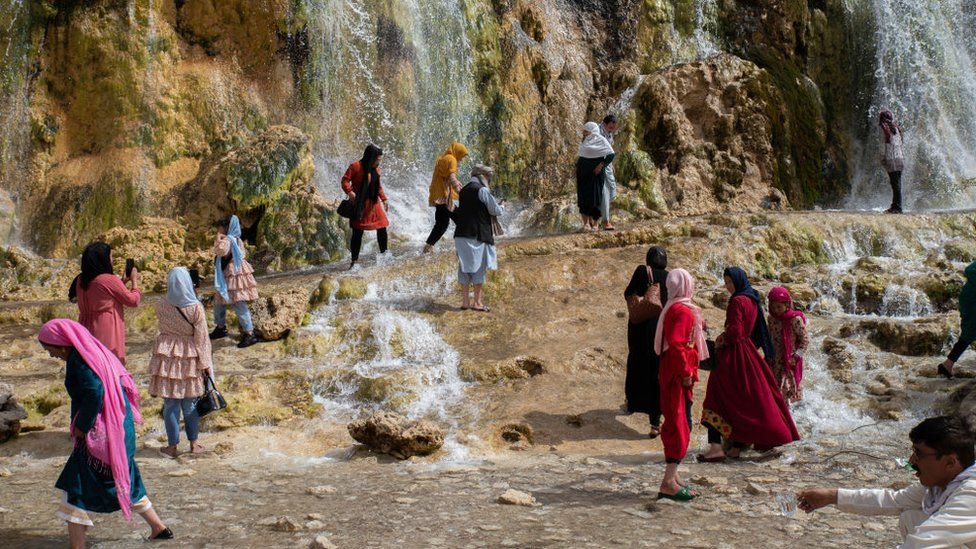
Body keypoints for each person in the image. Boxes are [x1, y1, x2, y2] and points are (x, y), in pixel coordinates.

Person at [38, 319, 172, 546]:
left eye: (48, 349)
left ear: (61, 344)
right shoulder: (95, 351)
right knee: (125, 478)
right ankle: (159, 528)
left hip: (103, 436)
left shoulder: (79, 361)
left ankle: (77, 546)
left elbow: (94, 392)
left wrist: (82, 427)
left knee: (76, 488)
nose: (50, 355)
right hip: (120, 428)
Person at [798, 416, 976, 548]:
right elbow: (894, 501)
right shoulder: (945, 482)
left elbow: (924, 541)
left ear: (950, 462)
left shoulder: (971, 493)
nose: (911, 461)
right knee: (911, 517)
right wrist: (832, 496)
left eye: (919, 454)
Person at [699, 267, 800, 461]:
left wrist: (721, 338)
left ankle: (716, 449)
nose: (727, 286)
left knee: (715, 398)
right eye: (726, 282)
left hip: (732, 356)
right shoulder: (752, 298)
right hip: (748, 353)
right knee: (744, 400)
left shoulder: (737, 301)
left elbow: (735, 332)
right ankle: (736, 447)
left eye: (730, 282)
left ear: (738, 281)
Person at [653, 268, 708, 501]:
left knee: (678, 420)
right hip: (678, 373)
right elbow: (677, 344)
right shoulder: (683, 311)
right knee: (680, 423)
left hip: (671, 370)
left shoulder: (674, 308)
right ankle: (668, 481)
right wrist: (686, 372)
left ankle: (673, 478)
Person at [148, 267, 213, 458]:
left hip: (167, 355)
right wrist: (206, 363)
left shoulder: (161, 304)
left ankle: (172, 447)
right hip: (189, 356)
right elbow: (202, 338)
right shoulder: (195, 307)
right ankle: (194, 444)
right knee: (190, 403)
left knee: (170, 404)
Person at [623, 246, 669, 437]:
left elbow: (628, 293)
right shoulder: (669, 276)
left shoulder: (643, 271)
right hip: (660, 328)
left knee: (637, 363)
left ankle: (632, 403)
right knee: (656, 371)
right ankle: (655, 423)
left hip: (640, 327)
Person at [73, 242, 141, 364]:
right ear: (103, 259)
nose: (112, 259)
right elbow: (133, 301)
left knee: (93, 366)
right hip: (106, 330)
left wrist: (122, 282)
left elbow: (103, 294)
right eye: (110, 256)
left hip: (84, 329)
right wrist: (134, 281)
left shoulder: (80, 280)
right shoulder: (108, 279)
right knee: (110, 366)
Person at [452, 164, 503, 312]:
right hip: (476, 234)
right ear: (483, 176)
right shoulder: (482, 190)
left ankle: (465, 302)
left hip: (461, 234)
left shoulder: (464, 190)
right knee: (479, 268)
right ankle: (477, 303)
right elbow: (495, 210)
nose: (489, 180)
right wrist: (503, 207)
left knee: (464, 267)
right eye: (488, 177)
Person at [210, 215, 259, 348]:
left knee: (238, 302)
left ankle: (250, 334)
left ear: (227, 227)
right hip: (233, 273)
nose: (219, 228)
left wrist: (218, 238)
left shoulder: (228, 240)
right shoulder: (236, 239)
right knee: (220, 301)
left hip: (232, 274)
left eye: (221, 226)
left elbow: (220, 251)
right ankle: (221, 328)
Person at [341, 144, 390, 268]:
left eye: (380, 160)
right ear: (370, 157)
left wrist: (384, 199)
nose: (379, 162)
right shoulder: (355, 166)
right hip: (360, 205)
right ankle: (354, 261)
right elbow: (345, 180)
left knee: (382, 227)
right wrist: (350, 192)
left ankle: (385, 255)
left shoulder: (376, 170)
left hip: (374, 204)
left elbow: (378, 187)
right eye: (377, 159)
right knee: (358, 232)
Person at [425, 142, 469, 252]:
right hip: (445, 197)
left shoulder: (443, 158)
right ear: (457, 152)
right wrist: (461, 192)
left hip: (440, 196)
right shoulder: (452, 159)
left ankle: (428, 247)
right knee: (461, 219)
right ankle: (470, 242)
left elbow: (445, 177)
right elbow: (452, 177)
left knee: (442, 223)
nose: (461, 159)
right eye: (462, 156)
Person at [767, 286, 808, 402]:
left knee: (787, 388)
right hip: (774, 359)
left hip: (789, 361)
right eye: (773, 307)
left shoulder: (795, 320)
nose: (776, 310)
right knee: (774, 388)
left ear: (787, 305)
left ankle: (786, 415)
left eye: (779, 307)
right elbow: (769, 336)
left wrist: (796, 356)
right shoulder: (771, 319)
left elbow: (805, 340)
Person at [940, 261, 976, 379]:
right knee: (970, 332)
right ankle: (947, 364)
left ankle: (947, 365)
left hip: (969, 297)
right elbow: (970, 270)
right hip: (972, 300)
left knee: (969, 333)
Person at [576, 121, 615, 232]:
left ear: (592, 131)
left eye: (586, 131)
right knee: (583, 198)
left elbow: (611, 154)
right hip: (583, 172)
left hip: (596, 173)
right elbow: (582, 156)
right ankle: (586, 224)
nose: (584, 133)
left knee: (595, 198)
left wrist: (601, 165)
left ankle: (595, 225)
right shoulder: (585, 141)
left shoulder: (602, 140)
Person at [880, 109, 905, 214]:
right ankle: (895, 205)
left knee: (895, 184)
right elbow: (900, 143)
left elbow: (883, 146)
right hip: (900, 159)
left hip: (891, 160)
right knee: (896, 183)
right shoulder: (897, 128)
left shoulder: (884, 129)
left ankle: (897, 207)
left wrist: (882, 160)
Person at [599, 115, 619, 231]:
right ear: (604, 124)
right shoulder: (597, 131)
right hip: (599, 165)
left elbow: (609, 150)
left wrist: (611, 164)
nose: (612, 129)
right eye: (610, 127)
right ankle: (605, 222)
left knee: (611, 190)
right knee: (604, 192)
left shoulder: (609, 132)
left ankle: (603, 219)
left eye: (613, 127)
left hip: (606, 164)